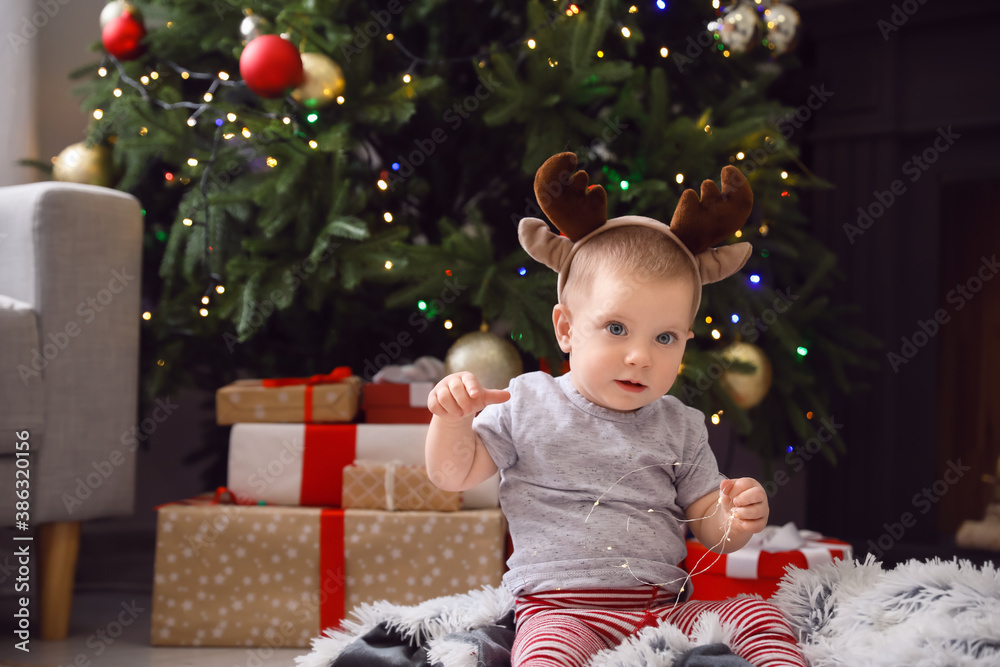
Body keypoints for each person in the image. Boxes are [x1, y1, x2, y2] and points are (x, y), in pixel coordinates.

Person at [425, 152, 806, 667]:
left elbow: (708, 528)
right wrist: (451, 419)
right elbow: (452, 474)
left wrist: (737, 518)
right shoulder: (528, 400)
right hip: (559, 609)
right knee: (543, 657)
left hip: (665, 610)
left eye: (665, 336)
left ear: (685, 343)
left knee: (758, 615)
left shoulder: (681, 425)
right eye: (617, 328)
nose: (640, 356)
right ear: (565, 328)